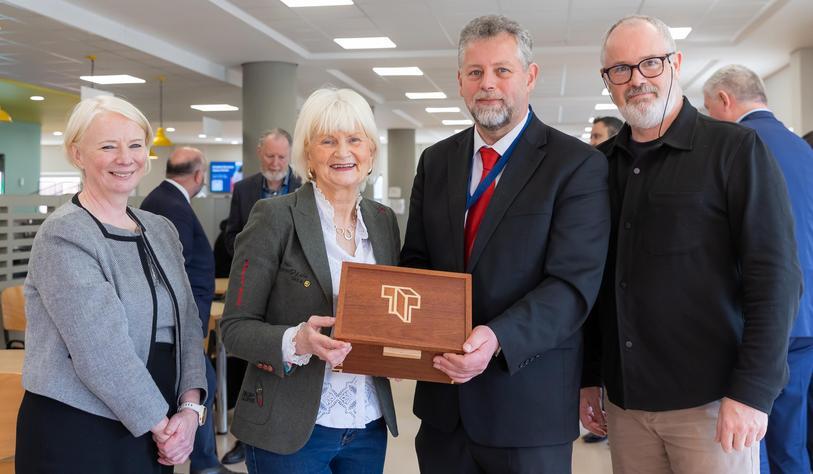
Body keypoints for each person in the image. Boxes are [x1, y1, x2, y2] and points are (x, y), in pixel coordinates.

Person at [580, 15, 801, 474]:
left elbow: (775, 277)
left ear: (676, 63)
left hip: (714, 407)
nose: (636, 79)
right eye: (620, 69)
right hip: (626, 407)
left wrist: (753, 392)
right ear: (608, 81)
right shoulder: (599, 166)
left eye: (650, 63)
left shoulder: (736, 150)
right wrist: (590, 377)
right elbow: (596, 283)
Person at [400, 15, 610, 474]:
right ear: (460, 82)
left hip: (527, 410)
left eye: (502, 70)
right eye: (475, 72)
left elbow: (572, 286)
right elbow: (416, 264)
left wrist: (496, 337)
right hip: (443, 409)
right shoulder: (436, 162)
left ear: (530, 77)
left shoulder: (576, 166)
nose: (487, 84)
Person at [16, 96, 207, 473]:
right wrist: (165, 428)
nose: (126, 157)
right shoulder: (65, 234)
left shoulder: (161, 230)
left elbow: (188, 325)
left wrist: (189, 409)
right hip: (80, 431)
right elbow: (100, 352)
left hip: (155, 425)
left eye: (135, 145)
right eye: (108, 146)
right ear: (77, 154)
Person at [220, 87, 399, 474]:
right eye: (328, 141)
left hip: (367, 423)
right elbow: (234, 329)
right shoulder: (273, 216)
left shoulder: (383, 222)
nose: (342, 152)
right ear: (308, 155)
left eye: (354, 139)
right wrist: (295, 340)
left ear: (370, 153)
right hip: (290, 427)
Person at [703, 64, 813, 474]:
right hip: (805, 325)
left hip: (757, 324)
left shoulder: (738, 147)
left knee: (749, 446)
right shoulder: (803, 148)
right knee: (792, 442)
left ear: (725, 101)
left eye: (709, 108)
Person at [141, 147, 236, 474]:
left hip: (180, 320)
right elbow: (172, 272)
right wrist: (188, 325)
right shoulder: (173, 206)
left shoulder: (161, 199)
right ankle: (204, 462)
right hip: (179, 323)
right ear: (199, 176)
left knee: (201, 384)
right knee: (202, 382)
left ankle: (203, 460)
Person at [221, 127, 301, 464]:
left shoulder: (304, 186)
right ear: (260, 154)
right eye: (270, 155)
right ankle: (246, 433)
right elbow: (231, 232)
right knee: (247, 360)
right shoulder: (244, 189)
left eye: (282, 156)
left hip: (293, 288)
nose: (276, 162)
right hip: (252, 285)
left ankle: (288, 429)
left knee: (289, 360)